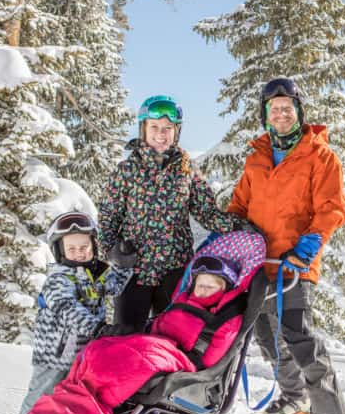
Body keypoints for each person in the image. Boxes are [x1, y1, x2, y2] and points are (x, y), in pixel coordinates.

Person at [10, 234, 265, 414]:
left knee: (120, 370)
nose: (204, 290)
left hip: (180, 363)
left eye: (212, 286)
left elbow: (209, 360)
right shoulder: (184, 303)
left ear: (225, 288)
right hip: (157, 348)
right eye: (200, 284)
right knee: (97, 352)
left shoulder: (224, 319)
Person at [226, 77, 345, 414]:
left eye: (287, 108)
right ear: (265, 116)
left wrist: (308, 245)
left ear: (299, 111)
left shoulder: (320, 155)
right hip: (257, 263)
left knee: (300, 339)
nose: (280, 115)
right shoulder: (257, 156)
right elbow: (239, 206)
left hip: (293, 263)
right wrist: (231, 235)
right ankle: (296, 398)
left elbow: (331, 209)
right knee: (266, 336)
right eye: (273, 110)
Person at [0, 211, 134, 414]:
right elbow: (67, 308)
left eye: (85, 246)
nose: (79, 252)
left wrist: (123, 265)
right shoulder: (59, 278)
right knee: (39, 401)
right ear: (60, 251)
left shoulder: (96, 272)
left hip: (84, 356)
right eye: (72, 248)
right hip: (55, 356)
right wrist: (98, 329)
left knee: (72, 406)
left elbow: (116, 286)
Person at [99, 95, 245, 333]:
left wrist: (238, 225)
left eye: (168, 128)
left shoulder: (187, 170)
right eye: (154, 127)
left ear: (176, 131)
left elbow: (206, 212)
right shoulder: (126, 170)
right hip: (134, 269)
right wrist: (112, 250)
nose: (161, 133)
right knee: (125, 335)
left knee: (170, 336)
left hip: (174, 270)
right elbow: (108, 217)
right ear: (143, 129)